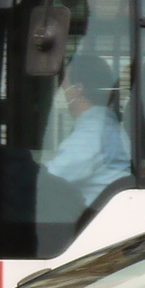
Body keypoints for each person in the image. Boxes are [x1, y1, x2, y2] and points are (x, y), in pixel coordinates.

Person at [43, 54, 130, 209]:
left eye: (64, 86)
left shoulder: (90, 134)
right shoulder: (111, 128)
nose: (62, 92)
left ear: (78, 88)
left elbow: (48, 180)